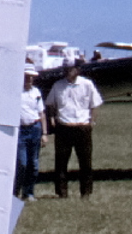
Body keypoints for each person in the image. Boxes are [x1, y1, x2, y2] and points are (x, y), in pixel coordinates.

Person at [46, 63, 104, 199]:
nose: (67, 71)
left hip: (82, 126)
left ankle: (86, 192)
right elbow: (50, 104)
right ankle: (62, 193)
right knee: (61, 162)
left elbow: (95, 104)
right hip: (64, 126)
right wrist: (53, 118)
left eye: (71, 69)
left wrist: (92, 122)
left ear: (77, 70)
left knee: (85, 162)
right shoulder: (58, 85)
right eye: (65, 69)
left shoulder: (87, 84)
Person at [14, 66, 48, 200]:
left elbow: (41, 113)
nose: (29, 79)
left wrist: (44, 133)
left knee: (33, 163)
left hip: (35, 128)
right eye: (26, 76)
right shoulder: (17, 93)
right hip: (21, 130)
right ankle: (15, 191)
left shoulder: (36, 92)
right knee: (22, 163)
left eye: (31, 77)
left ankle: (29, 192)